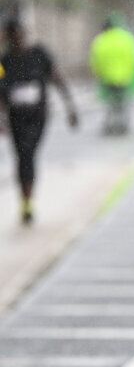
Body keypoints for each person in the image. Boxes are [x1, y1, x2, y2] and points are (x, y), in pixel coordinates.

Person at [0, 19, 79, 225]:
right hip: (15, 117)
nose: (17, 41)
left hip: (38, 116)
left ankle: (27, 199)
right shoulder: (3, 62)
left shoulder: (39, 55)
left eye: (20, 35)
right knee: (22, 157)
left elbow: (57, 79)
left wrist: (70, 106)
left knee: (28, 154)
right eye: (11, 37)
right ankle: (26, 201)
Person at [89, 13, 134, 135]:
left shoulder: (100, 40)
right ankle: (124, 123)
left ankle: (109, 124)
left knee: (110, 102)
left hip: (107, 78)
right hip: (125, 78)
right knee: (124, 102)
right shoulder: (127, 38)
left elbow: (95, 60)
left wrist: (99, 74)